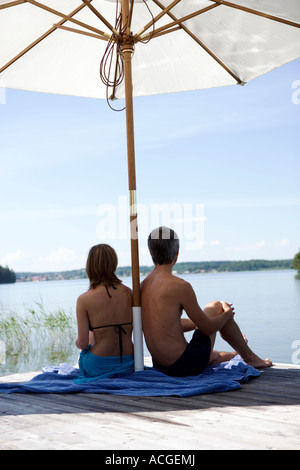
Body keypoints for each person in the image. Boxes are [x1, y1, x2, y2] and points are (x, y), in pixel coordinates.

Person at [141, 226, 272, 377]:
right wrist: (226, 315)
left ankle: (237, 354)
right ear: (177, 252)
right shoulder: (180, 286)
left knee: (213, 354)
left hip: (161, 366)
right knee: (216, 306)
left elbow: (167, 325)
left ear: (151, 253)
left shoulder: (142, 286)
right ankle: (250, 358)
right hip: (185, 365)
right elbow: (208, 329)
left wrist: (201, 321)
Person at [75, 244, 134, 383]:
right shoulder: (129, 293)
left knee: (89, 337)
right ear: (114, 263)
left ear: (90, 267)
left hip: (99, 364)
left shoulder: (84, 299)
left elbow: (82, 344)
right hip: (129, 361)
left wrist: (77, 342)